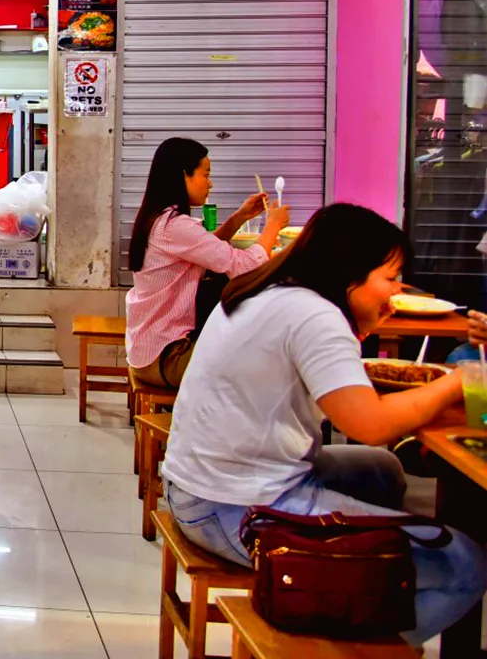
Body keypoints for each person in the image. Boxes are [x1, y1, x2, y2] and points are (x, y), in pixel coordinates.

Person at [162, 204, 487, 648]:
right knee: (465, 565)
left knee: (382, 472)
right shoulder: (313, 315)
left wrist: (363, 325)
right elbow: (369, 423)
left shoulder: (265, 289)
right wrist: (458, 382)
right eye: (390, 277)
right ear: (349, 273)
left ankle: (364, 581)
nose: (397, 289)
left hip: (197, 485)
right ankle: (354, 647)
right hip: (235, 508)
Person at [124, 137, 287, 390]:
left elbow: (204, 248)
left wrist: (239, 217)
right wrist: (273, 226)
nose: (210, 183)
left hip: (147, 351)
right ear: (184, 176)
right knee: (266, 365)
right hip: (168, 357)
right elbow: (245, 267)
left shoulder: (159, 218)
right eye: (206, 174)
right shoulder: (175, 226)